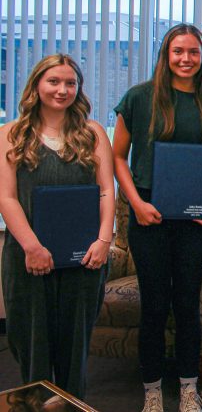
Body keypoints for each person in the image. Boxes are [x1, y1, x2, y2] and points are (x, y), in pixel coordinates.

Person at [112, 24, 202, 412]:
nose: (185, 59)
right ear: (166, 55)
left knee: (186, 304)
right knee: (154, 304)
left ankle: (187, 387)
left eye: (193, 52)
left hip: (194, 217)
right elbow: (118, 157)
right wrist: (136, 204)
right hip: (148, 214)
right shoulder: (139, 98)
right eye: (178, 51)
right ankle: (151, 390)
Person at [0, 54, 114, 399]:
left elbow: (107, 190)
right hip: (28, 261)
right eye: (54, 81)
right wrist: (33, 248)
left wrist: (103, 241)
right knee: (31, 348)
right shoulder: (11, 134)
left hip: (84, 261)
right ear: (36, 84)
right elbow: (7, 198)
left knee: (74, 351)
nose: (62, 90)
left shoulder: (92, 133)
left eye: (70, 83)